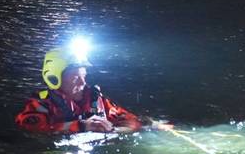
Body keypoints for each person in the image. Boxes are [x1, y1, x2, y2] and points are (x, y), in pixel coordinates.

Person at [15, 44, 161, 134]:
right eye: (75, 78)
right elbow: (31, 128)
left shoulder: (95, 99)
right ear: (54, 79)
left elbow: (125, 117)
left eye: (84, 76)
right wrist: (82, 126)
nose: (83, 82)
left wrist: (148, 124)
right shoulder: (41, 104)